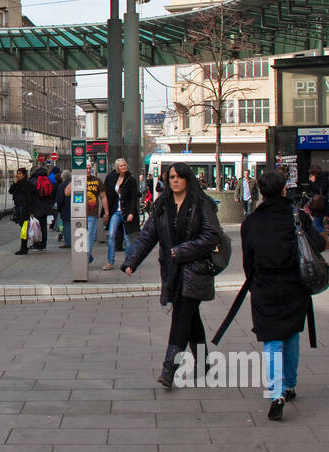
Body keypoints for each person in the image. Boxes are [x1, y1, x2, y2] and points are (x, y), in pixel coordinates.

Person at [121, 162, 223, 390]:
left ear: (188, 179)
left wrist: (182, 250)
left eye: (179, 177)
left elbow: (212, 234)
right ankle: (204, 362)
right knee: (190, 316)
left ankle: (169, 368)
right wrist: (131, 262)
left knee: (182, 315)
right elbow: (148, 235)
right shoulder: (163, 205)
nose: (175, 181)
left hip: (196, 269)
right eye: (171, 177)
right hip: (172, 270)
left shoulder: (200, 204)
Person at [241, 171, 325, 421]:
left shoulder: (251, 222)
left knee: (272, 340)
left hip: (265, 285)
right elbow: (318, 246)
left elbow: (249, 261)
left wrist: (255, 284)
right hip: (294, 285)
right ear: (284, 190)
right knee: (290, 335)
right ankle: (289, 385)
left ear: (261, 192)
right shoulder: (297, 217)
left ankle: (276, 392)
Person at [65, 169, 108, 266]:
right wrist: (75, 179)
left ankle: (86, 258)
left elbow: (103, 197)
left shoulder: (97, 181)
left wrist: (106, 212)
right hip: (79, 213)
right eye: (86, 168)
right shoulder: (77, 179)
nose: (88, 170)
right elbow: (67, 193)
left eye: (89, 168)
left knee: (89, 237)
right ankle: (87, 257)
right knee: (80, 237)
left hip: (92, 213)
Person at [103, 158, 139, 268]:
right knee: (111, 235)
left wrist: (132, 213)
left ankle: (128, 262)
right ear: (117, 168)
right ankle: (110, 261)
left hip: (126, 211)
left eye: (125, 165)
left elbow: (134, 198)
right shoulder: (115, 178)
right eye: (121, 166)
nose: (123, 167)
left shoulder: (131, 180)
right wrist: (106, 212)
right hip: (116, 210)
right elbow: (109, 196)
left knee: (127, 237)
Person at [9, 167, 34, 255]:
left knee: (24, 228)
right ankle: (24, 247)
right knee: (23, 228)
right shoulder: (17, 183)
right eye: (17, 173)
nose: (18, 175)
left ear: (24, 175)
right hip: (18, 208)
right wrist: (14, 183)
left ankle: (23, 248)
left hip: (25, 209)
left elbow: (30, 198)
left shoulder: (28, 184)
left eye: (20, 173)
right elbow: (10, 191)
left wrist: (31, 211)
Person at [29, 164, 53, 250]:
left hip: (36, 207)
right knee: (43, 226)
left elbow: (30, 197)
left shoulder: (32, 181)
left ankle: (36, 243)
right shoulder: (47, 180)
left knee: (35, 226)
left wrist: (30, 210)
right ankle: (43, 244)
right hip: (45, 208)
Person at [307, 166, 329, 233]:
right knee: (319, 223)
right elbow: (311, 190)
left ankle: (322, 239)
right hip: (316, 205)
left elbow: (321, 190)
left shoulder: (324, 179)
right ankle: (323, 240)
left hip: (320, 204)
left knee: (316, 224)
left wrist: (314, 182)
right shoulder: (316, 179)